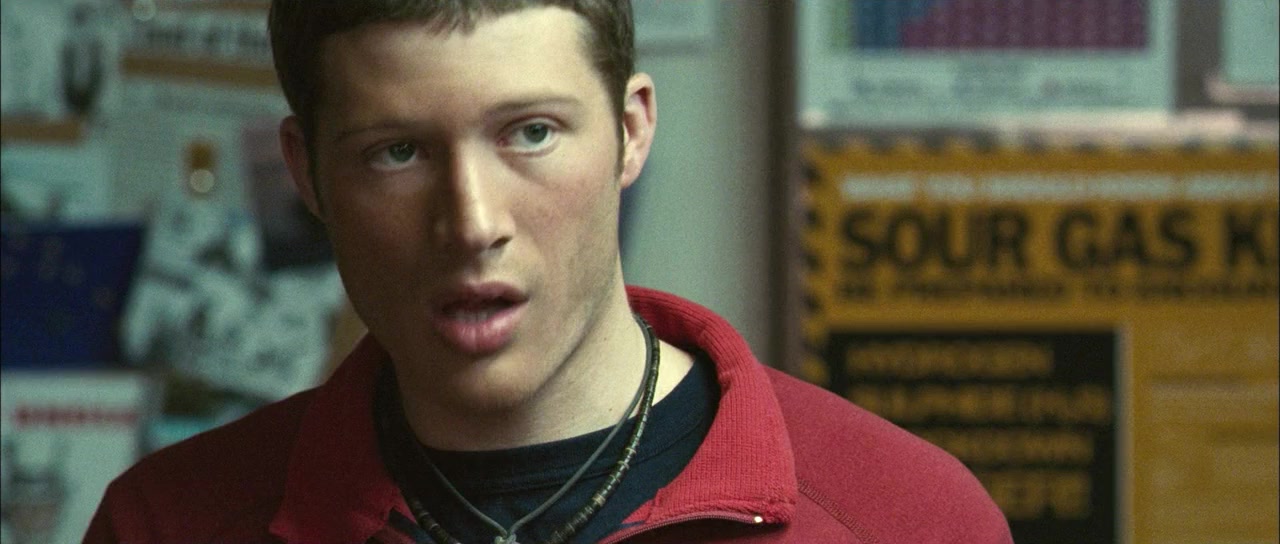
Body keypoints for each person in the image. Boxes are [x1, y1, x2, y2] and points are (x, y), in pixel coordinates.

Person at [85, 1, 1013, 543]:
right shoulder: (168, 524)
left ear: (631, 131)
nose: (472, 224)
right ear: (307, 175)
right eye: (397, 152)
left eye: (530, 133)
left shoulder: (906, 518)